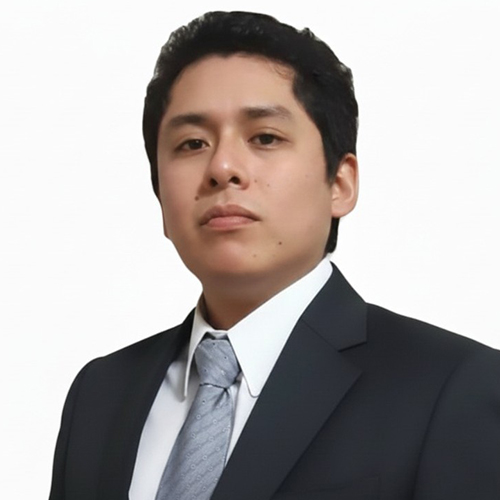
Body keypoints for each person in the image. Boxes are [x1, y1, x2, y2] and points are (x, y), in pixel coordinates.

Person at [49, 11, 500, 500]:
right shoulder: (100, 395)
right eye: (192, 143)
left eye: (265, 137)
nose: (223, 167)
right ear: (160, 195)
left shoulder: (455, 388)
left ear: (341, 184)